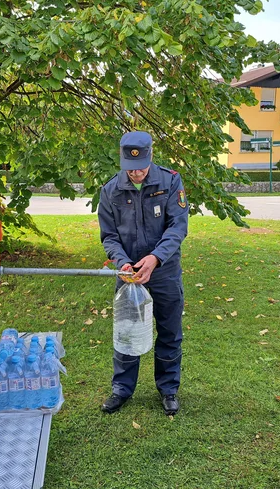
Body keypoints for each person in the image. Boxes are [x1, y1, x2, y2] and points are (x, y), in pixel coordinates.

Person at [97, 131, 189, 415]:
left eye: (140, 166)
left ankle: (168, 389)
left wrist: (155, 258)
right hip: (128, 275)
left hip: (163, 271)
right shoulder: (110, 190)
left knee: (169, 331)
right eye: (129, 167)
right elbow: (109, 236)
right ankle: (122, 390)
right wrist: (122, 262)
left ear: (150, 156)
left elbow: (177, 227)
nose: (135, 173)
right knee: (127, 331)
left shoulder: (170, 181)